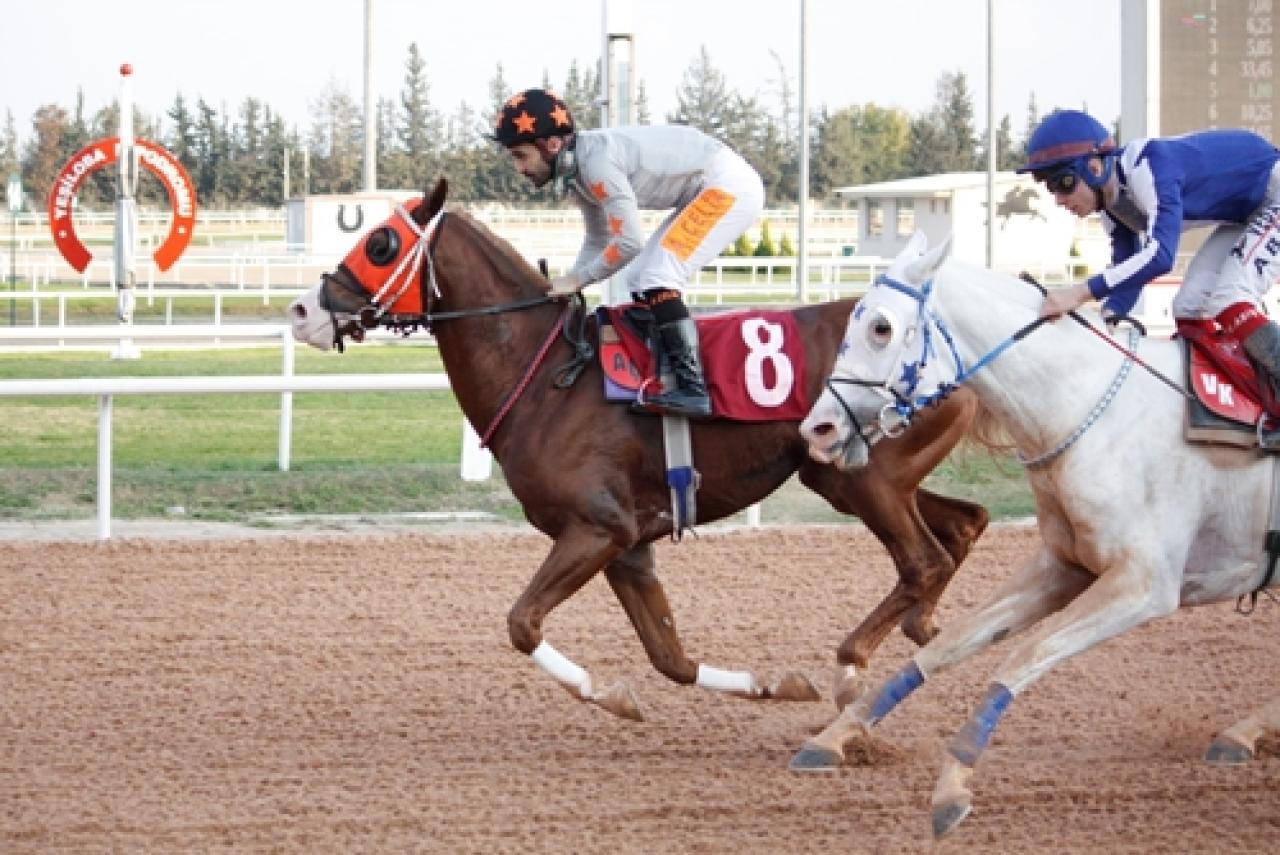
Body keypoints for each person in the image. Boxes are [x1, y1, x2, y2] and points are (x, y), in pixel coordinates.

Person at [491, 87, 765, 417]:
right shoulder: (576, 172)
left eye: (521, 156)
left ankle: (693, 389)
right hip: (706, 186)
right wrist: (568, 284)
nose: (519, 168)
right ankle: (660, 373)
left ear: (550, 145)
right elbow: (598, 239)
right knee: (640, 277)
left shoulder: (596, 164)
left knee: (658, 274)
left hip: (727, 185)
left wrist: (579, 279)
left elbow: (630, 241)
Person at [1019, 109, 1280, 389]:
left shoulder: (1150, 166)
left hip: (1273, 191)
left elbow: (1159, 257)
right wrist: (1104, 321)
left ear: (1094, 168)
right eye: (1050, 188)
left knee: (1231, 298)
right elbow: (1128, 273)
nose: (1058, 199)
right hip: (1249, 210)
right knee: (1189, 309)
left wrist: (1077, 292)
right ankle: (1247, 405)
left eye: (1063, 184)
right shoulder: (1109, 205)